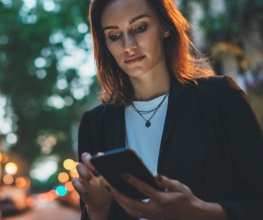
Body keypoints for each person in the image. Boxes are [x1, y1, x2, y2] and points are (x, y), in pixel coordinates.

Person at [72, 0, 263, 219]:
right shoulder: (95, 125)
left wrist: (200, 212)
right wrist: (97, 209)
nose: (128, 45)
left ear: (165, 27)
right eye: (114, 36)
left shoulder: (221, 98)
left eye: (140, 27)